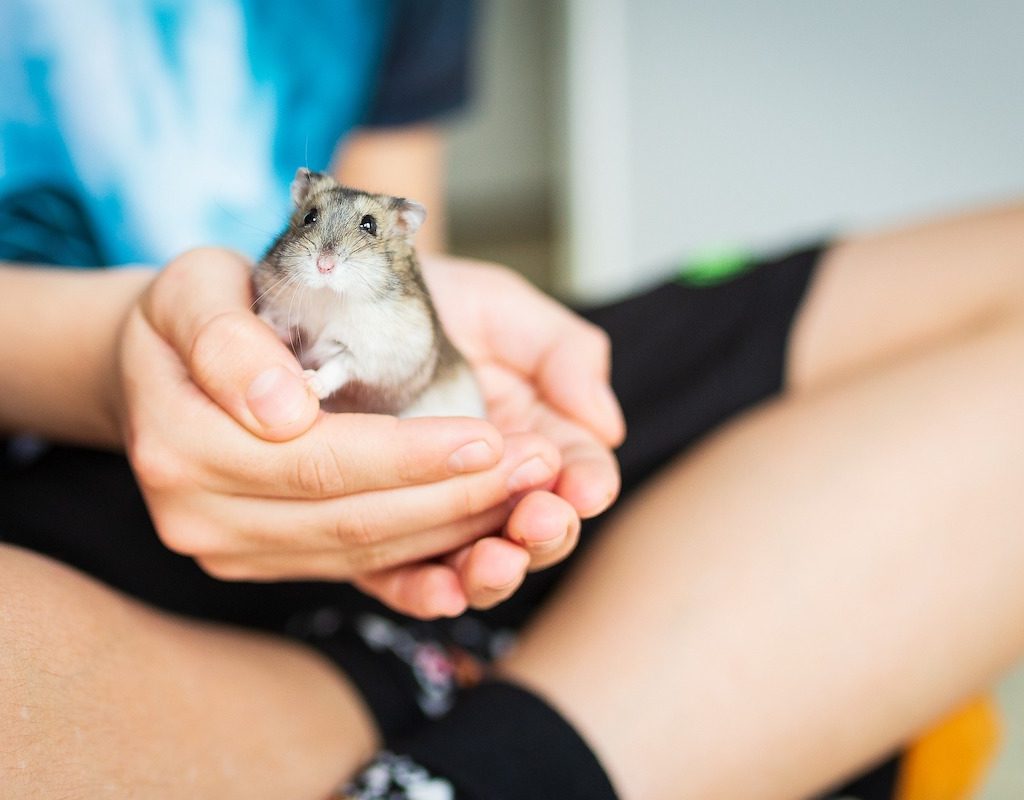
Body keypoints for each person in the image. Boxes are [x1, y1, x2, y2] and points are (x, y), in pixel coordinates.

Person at [2, 3, 1023, 799]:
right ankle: (515, 727)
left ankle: (433, 710)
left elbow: (405, 246)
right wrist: (109, 358)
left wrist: (426, 380)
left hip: (389, 409)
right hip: (58, 447)